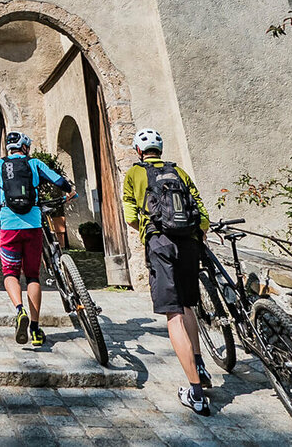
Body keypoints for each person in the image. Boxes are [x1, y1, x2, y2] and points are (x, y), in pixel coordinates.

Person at [123, 127, 213, 416]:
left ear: (139, 150)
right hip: (188, 242)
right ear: (160, 150)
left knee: (173, 313)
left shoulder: (134, 174)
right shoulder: (180, 172)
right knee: (188, 306)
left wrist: (149, 233)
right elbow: (202, 214)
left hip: (160, 243)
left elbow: (130, 217)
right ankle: (198, 362)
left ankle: (195, 392)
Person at [0, 129, 75, 347]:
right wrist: (69, 192)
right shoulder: (34, 164)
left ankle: (19, 309)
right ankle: (34, 327)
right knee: (32, 276)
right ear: (25, 147)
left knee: (10, 273)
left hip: (9, 226)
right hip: (32, 225)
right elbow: (58, 180)